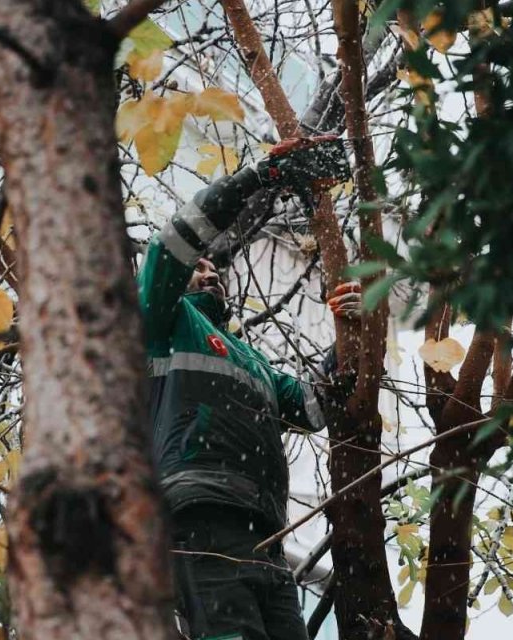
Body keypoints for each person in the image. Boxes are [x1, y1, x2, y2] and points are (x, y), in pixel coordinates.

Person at [136, 137, 359, 640]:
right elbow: (169, 247)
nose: (209, 269)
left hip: (265, 535)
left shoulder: (249, 358)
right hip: (198, 521)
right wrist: (262, 177)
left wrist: (352, 334)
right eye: (199, 265)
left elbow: (314, 406)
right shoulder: (159, 324)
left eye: (215, 267)